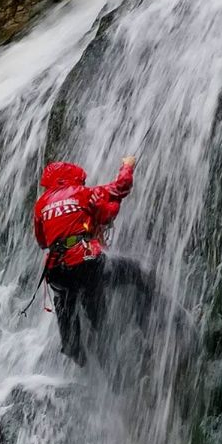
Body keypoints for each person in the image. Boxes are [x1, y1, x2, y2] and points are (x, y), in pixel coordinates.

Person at [33, 157, 153, 366]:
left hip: (56, 269)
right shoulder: (83, 193)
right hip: (86, 262)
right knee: (136, 273)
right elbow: (120, 188)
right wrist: (127, 165)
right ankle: (144, 327)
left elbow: (42, 241)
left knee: (65, 297)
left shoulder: (41, 205)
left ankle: (74, 348)